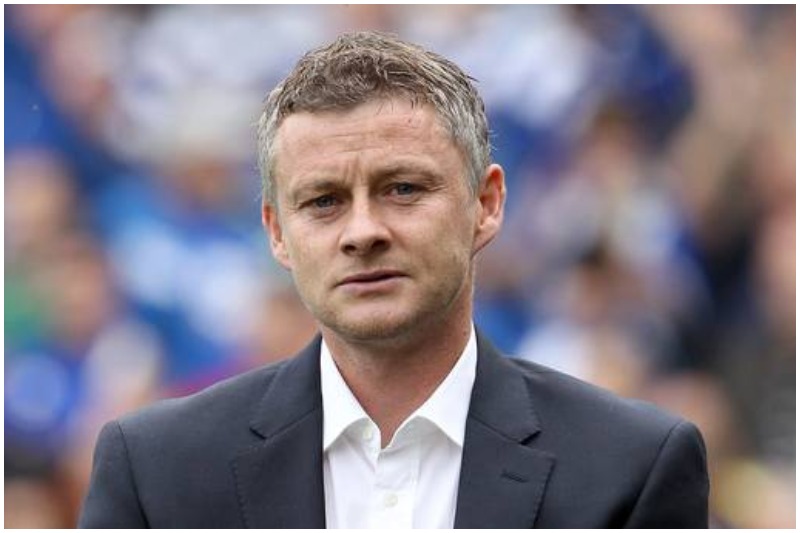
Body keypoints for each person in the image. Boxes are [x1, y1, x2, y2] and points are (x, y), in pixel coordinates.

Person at [79, 31, 708, 528]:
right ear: (276, 232)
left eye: (402, 188)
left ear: (486, 204)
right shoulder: (155, 472)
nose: (363, 231)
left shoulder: (631, 467)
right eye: (323, 201)